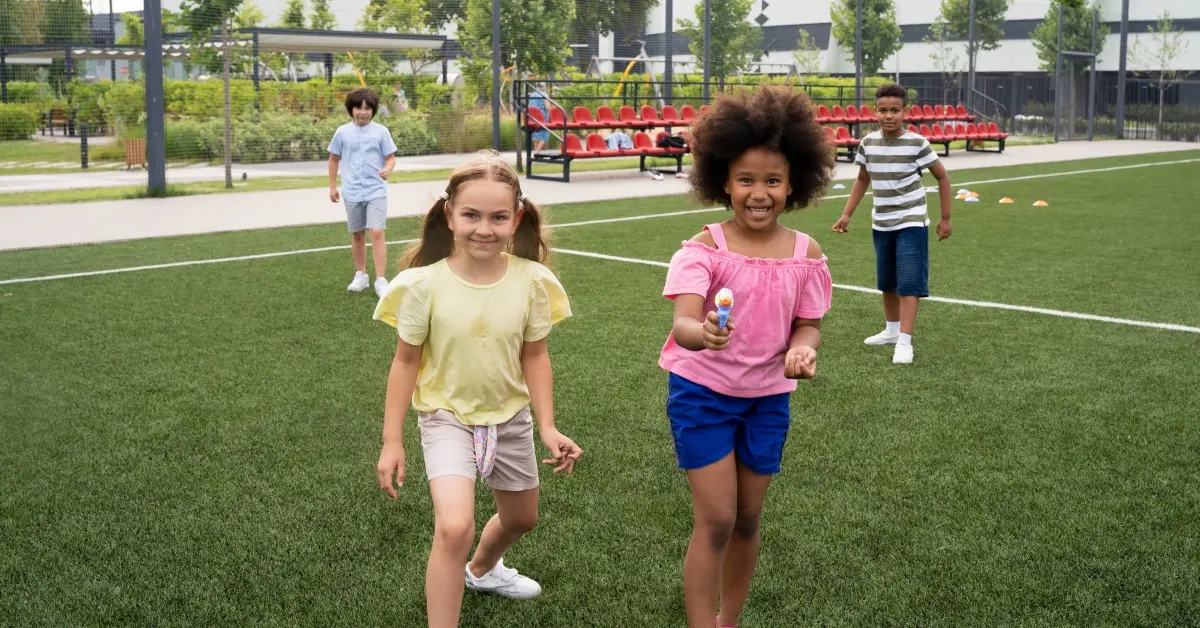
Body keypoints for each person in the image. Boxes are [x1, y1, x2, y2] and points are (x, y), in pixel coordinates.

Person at [372, 151, 583, 628]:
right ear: (449, 216)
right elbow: (405, 363)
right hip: (446, 417)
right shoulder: (422, 286)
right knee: (453, 526)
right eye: (471, 215)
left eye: (497, 217)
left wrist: (547, 427)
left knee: (522, 518)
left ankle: (483, 570)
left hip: (510, 419)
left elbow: (535, 356)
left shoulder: (533, 282)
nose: (483, 228)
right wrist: (391, 440)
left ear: (516, 218)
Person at [658, 85, 835, 628]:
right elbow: (683, 322)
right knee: (716, 519)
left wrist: (803, 352)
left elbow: (808, 325)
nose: (759, 194)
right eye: (746, 180)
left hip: (767, 399)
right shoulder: (705, 248)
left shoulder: (807, 254)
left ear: (794, 184)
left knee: (748, 519)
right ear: (724, 182)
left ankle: (727, 620)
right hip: (703, 394)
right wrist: (703, 331)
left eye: (773, 181)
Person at [832, 83, 953, 364]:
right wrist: (847, 214)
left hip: (911, 221)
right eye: (883, 110)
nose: (889, 116)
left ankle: (905, 341)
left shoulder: (917, 143)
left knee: (909, 282)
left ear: (905, 112)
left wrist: (945, 217)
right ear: (875, 111)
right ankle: (891, 329)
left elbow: (942, 177)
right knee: (887, 281)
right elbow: (862, 179)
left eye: (895, 111)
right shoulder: (868, 143)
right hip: (881, 223)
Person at [328, 87, 397, 298]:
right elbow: (333, 159)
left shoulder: (381, 131)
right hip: (352, 191)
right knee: (357, 233)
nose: (363, 112)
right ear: (351, 109)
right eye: (358, 107)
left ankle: (381, 279)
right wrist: (332, 186)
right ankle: (361, 275)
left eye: (368, 108)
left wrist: (388, 169)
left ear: (374, 110)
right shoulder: (342, 132)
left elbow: (391, 157)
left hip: (376, 189)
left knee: (376, 231)